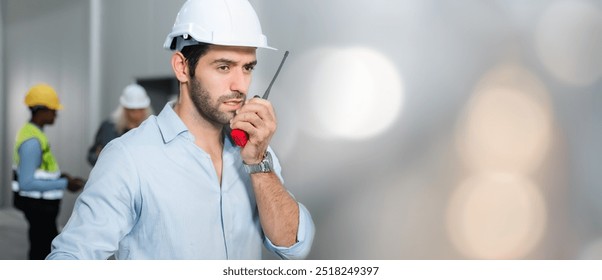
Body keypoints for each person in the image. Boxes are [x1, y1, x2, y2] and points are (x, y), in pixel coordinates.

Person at [47, 0, 314, 260]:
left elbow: (293, 247)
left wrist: (258, 164)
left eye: (247, 68)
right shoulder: (128, 158)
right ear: (182, 67)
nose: (240, 85)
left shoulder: (256, 154)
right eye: (224, 67)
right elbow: (71, 256)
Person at [12, 83, 85, 260]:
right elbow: (26, 183)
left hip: (40, 207)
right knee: (41, 251)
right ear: (41, 110)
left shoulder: (34, 133)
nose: (56, 114)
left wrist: (61, 176)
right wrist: (65, 183)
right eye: (53, 110)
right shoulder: (32, 141)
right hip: (38, 208)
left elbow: (40, 170)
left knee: (42, 247)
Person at [87, 83, 152, 166]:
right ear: (124, 109)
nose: (136, 114)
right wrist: (100, 158)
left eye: (140, 110)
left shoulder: (150, 130)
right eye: (133, 110)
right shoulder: (108, 128)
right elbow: (92, 156)